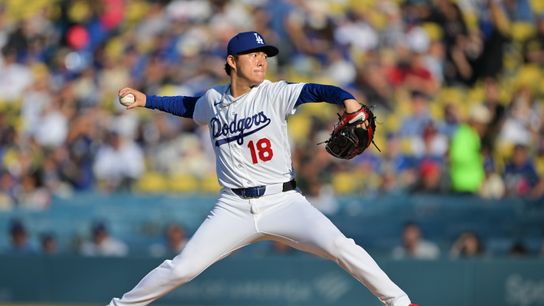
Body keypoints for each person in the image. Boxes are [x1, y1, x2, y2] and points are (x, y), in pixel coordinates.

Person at [108, 31, 417, 306]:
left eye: (264, 55)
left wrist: (347, 100)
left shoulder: (273, 93)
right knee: (182, 268)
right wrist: (146, 100)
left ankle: (400, 303)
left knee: (341, 246)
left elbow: (318, 90)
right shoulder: (214, 99)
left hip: (283, 201)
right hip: (233, 206)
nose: (261, 61)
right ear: (232, 61)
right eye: (253, 55)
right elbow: (190, 106)